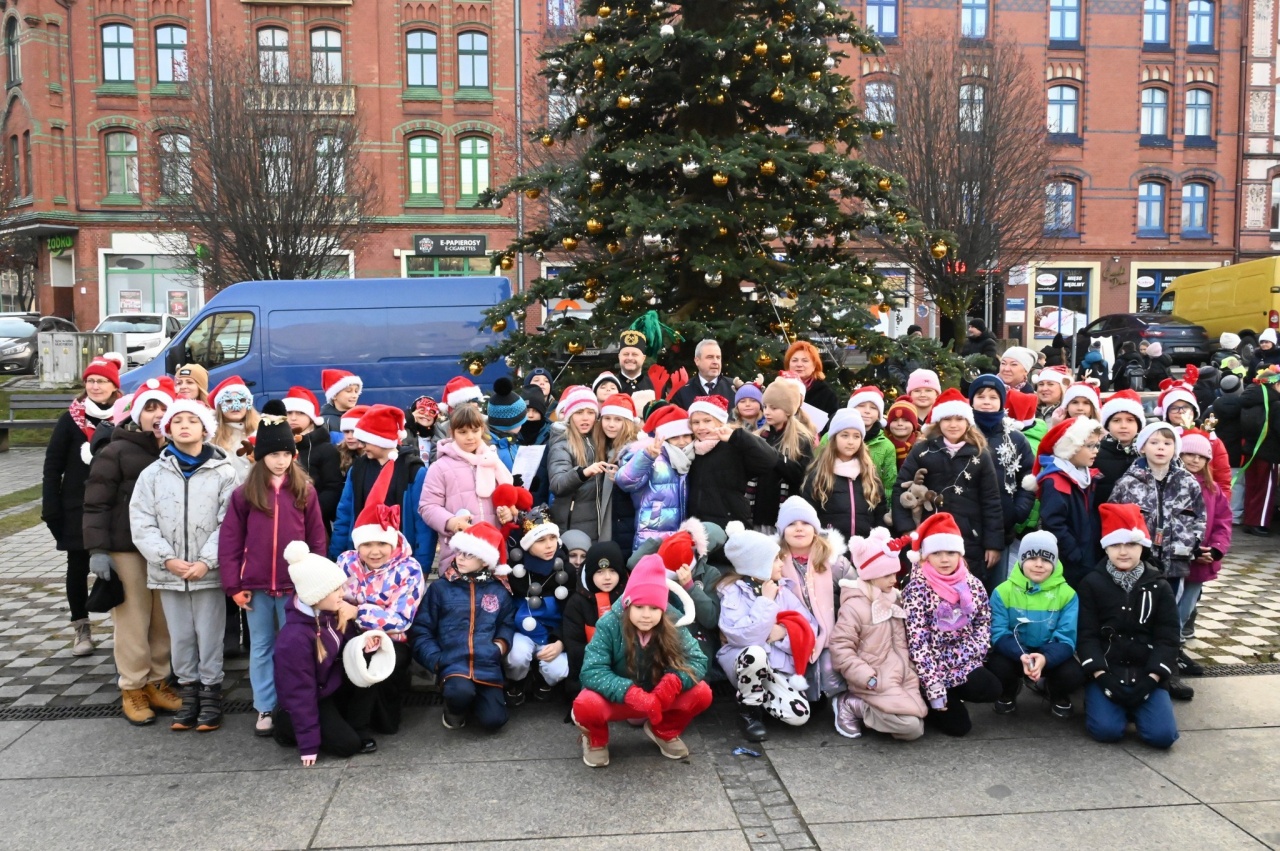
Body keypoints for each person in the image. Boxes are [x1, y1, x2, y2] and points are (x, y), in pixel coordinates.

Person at [130, 397, 238, 732]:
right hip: (170, 571)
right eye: (177, 421)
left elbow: (230, 522)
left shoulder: (224, 472)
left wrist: (207, 561)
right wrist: (167, 558)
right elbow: (142, 521)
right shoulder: (153, 474)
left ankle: (210, 693)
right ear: (167, 429)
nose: (184, 426)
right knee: (180, 636)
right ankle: (188, 691)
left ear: (205, 428)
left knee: (209, 633)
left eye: (192, 420)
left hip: (208, 572)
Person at [218, 413, 326, 736]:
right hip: (257, 587)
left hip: (295, 588)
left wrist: (315, 583)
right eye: (272, 455)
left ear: (293, 456)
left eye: (285, 454)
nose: (280, 461)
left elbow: (317, 538)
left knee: (293, 646)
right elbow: (230, 541)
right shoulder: (244, 495)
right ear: (260, 456)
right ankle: (265, 705)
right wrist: (233, 585)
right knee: (262, 646)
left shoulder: (305, 491)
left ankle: (294, 702)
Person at [83, 377, 183, 725]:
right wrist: (97, 549)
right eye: (150, 408)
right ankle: (133, 686)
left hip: (166, 550)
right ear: (137, 414)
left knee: (163, 620)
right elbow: (95, 503)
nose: (156, 415)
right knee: (132, 619)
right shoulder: (116, 451)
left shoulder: (177, 451)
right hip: (126, 549)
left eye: (163, 408)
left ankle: (158, 680)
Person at [571, 554, 711, 768]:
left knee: (702, 693)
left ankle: (663, 731)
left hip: (659, 698)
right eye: (639, 607)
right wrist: (629, 692)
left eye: (654, 608)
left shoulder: (673, 623)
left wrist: (674, 682)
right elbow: (591, 671)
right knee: (585, 705)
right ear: (628, 605)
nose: (647, 615)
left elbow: (697, 660)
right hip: (619, 699)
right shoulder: (609, 624)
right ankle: (596, 739)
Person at [1110, 423, 1205, 702]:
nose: (1161, 448)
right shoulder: (1128, 481)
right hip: (1142, 562)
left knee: (1169, 616)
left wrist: (1192, 544)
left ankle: (1168, 669)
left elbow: (1199, 517)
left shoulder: (1187, 481)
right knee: (1140, 614)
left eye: (1167, 442)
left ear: (1175, 448)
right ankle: (1135, 666)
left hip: (1175, 560)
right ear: (1142, 447)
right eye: (1154, 442)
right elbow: (1116, 519)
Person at [1076, 504, 1180, 749]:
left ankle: (1140, 707)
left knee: (1162, 737)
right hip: (1108, 672)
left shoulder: (1159, 586)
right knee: (1107, 731)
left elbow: (1168, 637)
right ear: (1106, 547)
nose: (1123, 552)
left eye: (1130, 545)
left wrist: (1152, 679)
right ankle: (1110, 705)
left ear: (1141, 546)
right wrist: (1101, 677)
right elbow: (1086, 635)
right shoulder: (1092, 583)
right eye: (1115, 545)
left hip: (1146, 672)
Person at [273, 542, 384, 764]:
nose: (343, 593)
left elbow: (344, 647)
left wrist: (363, 644)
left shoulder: (330, 613)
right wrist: (308, 745)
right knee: (346, 746)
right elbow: (300, 693)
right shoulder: (293, 640)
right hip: (312, 696)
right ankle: (286, 724)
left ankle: (350, 724)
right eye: (336, 589)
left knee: (372, 665)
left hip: (331, 686)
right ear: (317, 595)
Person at [43, 352, 123, 657]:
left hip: (115, 506)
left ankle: (122, 628)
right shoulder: (70, 419)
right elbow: (53, 465)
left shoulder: (123, 415)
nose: (95, 386)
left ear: (114, 386)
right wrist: (51, 506)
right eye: (91, 380)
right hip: (76, 505)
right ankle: (82, 629)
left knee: (119, 567)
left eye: (102, 381)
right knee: (77, 568)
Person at [336, 461, 426, 733]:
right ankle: (354, 726)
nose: (374, 551)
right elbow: (334, 601)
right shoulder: (345, 563)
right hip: (350, 634)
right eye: (367, 544)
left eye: (381, 544)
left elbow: (401, 619)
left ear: (393, 543)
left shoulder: (409, 569)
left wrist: (360, 613)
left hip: (393, 639)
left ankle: (374, 721)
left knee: (383, 671)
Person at [892, 389, 1005, 588]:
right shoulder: (922, 451)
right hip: (929, 536)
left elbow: (991, 500)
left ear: (968, 422)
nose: (953, 425)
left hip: (968, 537)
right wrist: (908, 530)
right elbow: (900, 489)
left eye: (959, 419)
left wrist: (993, 543)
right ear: (938, 422)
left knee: (967, 592)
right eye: (947, 419)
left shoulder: (980, 454)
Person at [410, 520, 516, 731]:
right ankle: (454, 709)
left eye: (469, 554)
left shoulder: (499, 590)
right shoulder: (440, 588)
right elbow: (421, 629)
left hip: (487, 664)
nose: (460, 557)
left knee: (495, 721)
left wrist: (500, 646)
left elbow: (507, 623)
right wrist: (437, 660)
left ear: (485, 561)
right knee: (460, 693)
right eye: (459, 552)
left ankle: (476, 701)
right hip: (452, 664)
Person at [716, 522, 818, 740]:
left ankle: (762, 698)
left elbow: (810, 627)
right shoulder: (733, 592)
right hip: (745, 663)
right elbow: (742, 636)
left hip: (776, 667)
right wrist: (764, 601)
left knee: (800, 715)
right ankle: (749, 711)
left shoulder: (783, 590)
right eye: (775, 559)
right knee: (755, 652)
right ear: (757, 563)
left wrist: (782, 633)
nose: (782, 563)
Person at [901, 512, 999, 737]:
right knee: (960, 728)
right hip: (930, 668)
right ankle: (931, 697)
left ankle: (954, 691)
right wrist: (933, 686)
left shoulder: (972, 584)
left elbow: (983, 622)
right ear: (925, 557)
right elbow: (917, 643)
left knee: (992, 687)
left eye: (951, 552)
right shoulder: (916, 590)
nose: (945, 559)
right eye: (937, 553)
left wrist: (971, 652)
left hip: (962, 660)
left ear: (960, 554)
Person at [829, 528, 927, 740]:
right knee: (910, 728)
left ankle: (882, 712)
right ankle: (851, 704)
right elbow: (840, 647)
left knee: (918, 723)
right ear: (871, 575)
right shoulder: (855, 606)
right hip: (873, 680)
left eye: (895, 573)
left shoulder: (895, 599)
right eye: (887, 574)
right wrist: (866, 676)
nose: (894, 579)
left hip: (900, 676)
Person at [986, 531, 1085, 718]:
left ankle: (1054, 691)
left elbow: (1066, 637)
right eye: (1032, 558)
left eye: (1047, 560)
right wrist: (1022, 655)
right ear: (1021, 559)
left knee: (1073, 674)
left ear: (1054, 563)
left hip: (1049, 652)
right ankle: (1009, 689)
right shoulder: (1002, 591)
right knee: (997, 666)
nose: (1039, 564)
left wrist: (1045, 658)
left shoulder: (1068, 594)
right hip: (1016, 652)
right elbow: (998, 632)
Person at [332, 405, 435, 562]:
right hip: (363, 557)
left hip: (402, 559)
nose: (360, 446)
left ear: (381, 440)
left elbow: (422, 524)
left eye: (365, 442)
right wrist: (336, 556)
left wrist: (423, 564)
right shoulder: (358, 469)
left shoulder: (413, 471)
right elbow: (344, 514)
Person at [775, 496, 853, 701]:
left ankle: (840, 701)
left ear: (815, 529)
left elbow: (854, 598)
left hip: (831, 634)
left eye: (805, 523)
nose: (799, 528)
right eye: (791, 524)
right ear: (782, 531)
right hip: (793, 635)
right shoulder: (774, 564)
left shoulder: (836, 563)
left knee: (830, 667)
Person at [418, 402, 514, 566]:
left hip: (493, 552)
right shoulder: (440, 467)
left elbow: (509, 496)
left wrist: (509, 513)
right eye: (463, 432)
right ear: (452, 433)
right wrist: (451, 522)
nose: (470, 437)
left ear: (482, 430)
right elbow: (427, 506)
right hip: (458, 555)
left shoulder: (493, 461)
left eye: (475, 430)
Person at [967, 375, 1036, 585]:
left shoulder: (1015, 438)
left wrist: (1017, 512)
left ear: (1002, 402)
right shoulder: (961, 434)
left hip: (1002, 527)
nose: (986, 401)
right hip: (965, 527)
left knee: (996, 589)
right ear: (971, 401)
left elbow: (1028, 478)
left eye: (993, 397)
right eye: (980, 396)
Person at [1178, 430, 1231, 676]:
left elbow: (1223, 521)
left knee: (1185, 609)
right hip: (1177, 559)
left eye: (1201, 456)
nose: (1194, 460)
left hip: (1201, 563)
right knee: (1170, 607)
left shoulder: (1213, 489)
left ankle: (1176, 649)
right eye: (1188, 453)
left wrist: (1217, 550)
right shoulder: (1175, 485)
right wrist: (1192, 550)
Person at [503, 512, 572, 703]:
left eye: (552, 538)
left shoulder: (566, 570)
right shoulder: (515, 570)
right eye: (540, 540)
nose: (549, 545)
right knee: (516, 657)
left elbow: (573, 614)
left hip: (552, 634)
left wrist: (561, 641)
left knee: (558, 669)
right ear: (527, 543)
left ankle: (543, 679)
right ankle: (517, 680)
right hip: (522, 631)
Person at [685, 395, 782, 528]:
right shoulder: (690, 451)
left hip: (731, 526)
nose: (701, 427)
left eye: (707, 421)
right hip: (698, 527)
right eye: (696, 422)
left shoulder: (734, 446)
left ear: (720, 422)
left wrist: (738, 436)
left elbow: (769, 459)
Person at [1033, 415, 1104, 589]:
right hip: (1070, 561)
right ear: (1069, 448)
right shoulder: (1056, 480)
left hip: (1087, 555)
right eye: (1089, 446)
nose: (1095, 451)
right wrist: (1074, 552)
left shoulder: (1086, 476)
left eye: (1097, 445)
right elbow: (1054, 522)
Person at [801, 408, 886, 541]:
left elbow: (880, 514)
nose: (851, 442)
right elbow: (808, 514)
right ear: (834, 438)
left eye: (856, 436)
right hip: (830, 551)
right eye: (845, 435)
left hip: (865, 550)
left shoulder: (869, 475)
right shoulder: (819, 475)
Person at [615, 405, 692, 550]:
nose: (682, 442)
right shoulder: (649, 453)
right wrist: (646, 457)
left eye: (686, 436)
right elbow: (625, 481)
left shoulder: (692, 456)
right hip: (651, 534)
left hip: (682, 537)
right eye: (675, 437)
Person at [546, 386, 614, 543]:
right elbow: (557, 484)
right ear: (569, 415)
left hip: (599, 526)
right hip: (572, 527)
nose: (585, 418)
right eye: (579, 412)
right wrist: (582, 473)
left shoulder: (600, 439)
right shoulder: (562, 443)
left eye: (590, 412)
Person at [562, 540, 630, 698]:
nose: (607, 578)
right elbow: (574, 645)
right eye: (600, 572)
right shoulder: (577, 602)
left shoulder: (630, 597)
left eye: (612, 571)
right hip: (591, 664)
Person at [753, 378, 816, 530]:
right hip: (758, 511)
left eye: (774, 408)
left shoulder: (801, 438)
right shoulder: (759, 435)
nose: (767, 412)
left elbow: (803, 475)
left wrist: (774, 457)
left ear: (788, 410)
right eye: (765, 406)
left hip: (785, 514)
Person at [281, 387, 343, 528]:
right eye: (288, 413)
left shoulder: (326, 449)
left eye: (301, 413)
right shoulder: (274, 446)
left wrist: (310, 513)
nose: (293, 418)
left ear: (311, 418)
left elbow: (333, 489)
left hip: (314, 521)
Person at [1238, 364, 1280, 536]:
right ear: (1275, 384)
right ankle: (1260, 522)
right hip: (1269, 451)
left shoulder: (1250, 399)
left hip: (1250, 448)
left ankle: (1249, 521)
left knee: (1253, 486)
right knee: (1266, 488)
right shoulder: (1275, 403)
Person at [598, 394, 640, 551]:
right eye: (607, 418)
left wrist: (623, 477)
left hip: (627, 527)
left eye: (618, 419)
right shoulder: (605, 447)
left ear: (628, 423)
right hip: (615, 524)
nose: (610, 424)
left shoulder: (634, 450)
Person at [1093, 390, 1145, 507]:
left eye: (1130, 420)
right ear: (1107, 424)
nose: (1123, 426)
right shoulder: (1095, 453)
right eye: (1116, 420)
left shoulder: (1147, 453)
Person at [1207, 371, 1247, 524]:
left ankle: (1217, 512)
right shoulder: (1244, 409)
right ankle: (1235, 515)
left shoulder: (1212, 409)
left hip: (1215, 453)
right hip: (1238, 453)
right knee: (1237, 485)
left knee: (1215, 483)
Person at [208, 375, 259, 484]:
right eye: (228, 401)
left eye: (241, 400)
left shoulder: (262, 430)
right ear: (219, 406)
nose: (235, 405)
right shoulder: (210, 435)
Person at [848, 385, 898, 493]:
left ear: (879, 414)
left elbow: (889, 485)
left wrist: (886, 509)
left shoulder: (886, 446)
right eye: (861, 405)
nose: (867, 411)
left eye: (873, 407)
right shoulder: (831, 437)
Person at [784, 340, 840, 422]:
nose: (799, 365)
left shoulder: (827, 395)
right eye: (794, 360)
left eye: (805, 361)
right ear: (788, 364)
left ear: (814, 366)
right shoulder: (778, 388)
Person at [671, 339, 736, 409]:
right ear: (697, 361)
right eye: (710, 357)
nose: (715, 362)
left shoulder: (734, 388)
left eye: (718, 357)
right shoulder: (683, 391)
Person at [486, 377, 529, 474]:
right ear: (511, 423)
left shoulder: (510, 441)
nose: (522, 425)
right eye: (521, 422)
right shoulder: (492, 449)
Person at [319, 369, 362, 436]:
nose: (354, 396)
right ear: (334, 395)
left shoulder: (362, 418)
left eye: (356, 391)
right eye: (348, 391)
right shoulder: (324, 422)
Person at [616, 328, 655, 396]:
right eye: (626, 354)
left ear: (643, 358)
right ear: (619, 357)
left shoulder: (654, 385)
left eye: (635, 354)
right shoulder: (610, 385)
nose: (630, 358)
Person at [336, 404, 371, 475]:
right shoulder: (337, 453)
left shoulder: (377, 455)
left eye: (354, 432)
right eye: (346, 432)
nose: (349, 437)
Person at [885, 399, 921, 464]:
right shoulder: (882, 444)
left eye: (906, 420)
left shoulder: (923, 445)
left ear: (914, 424)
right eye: (895, 420)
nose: (900, 424)